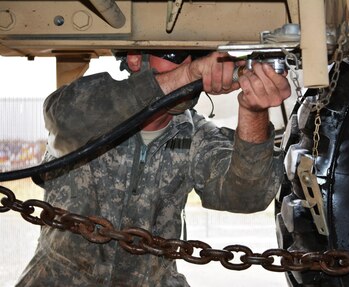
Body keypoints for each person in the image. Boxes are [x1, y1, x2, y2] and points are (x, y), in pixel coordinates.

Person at [16, 50, 291, 286]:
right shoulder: (91, 107)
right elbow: (65, 119)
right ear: (136, 59)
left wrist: (253, 112)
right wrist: (188, 74)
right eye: (174, 55)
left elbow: (246, 197)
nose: (194, 65)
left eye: (199, 57)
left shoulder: (196, 135)